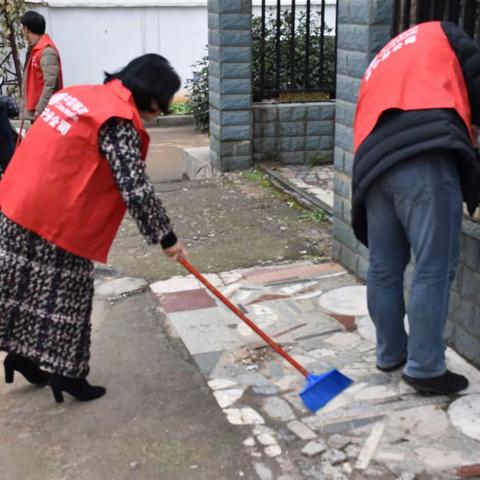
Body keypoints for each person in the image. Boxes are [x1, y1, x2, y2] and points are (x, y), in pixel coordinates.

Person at [0, 53, 188, 403]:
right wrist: (167, 237)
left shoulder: (82, 95)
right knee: (68, 299)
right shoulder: (117, 119)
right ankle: (68, 376)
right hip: (54, 218)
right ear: (149, 96)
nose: (160, 113)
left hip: (17, 203)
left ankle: (23, 356)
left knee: (22, 290)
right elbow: (134, 187)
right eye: (161, 105)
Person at [352, 21, 480, 395]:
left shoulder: (385, 54)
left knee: (384, 266)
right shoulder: (444, 32)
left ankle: (390, 352)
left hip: (373, 165)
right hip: (425, 156)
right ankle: (425, 368)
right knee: (433, 266)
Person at [21, 10, 63, 122]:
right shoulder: (36, 49)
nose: (23, 34)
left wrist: (39, 110)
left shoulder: (46, 51)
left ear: (26, 29)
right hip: (37, 113)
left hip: (43, 114)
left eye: (23, 29)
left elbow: (50, 85)